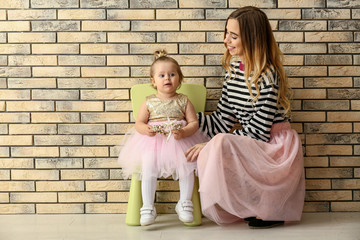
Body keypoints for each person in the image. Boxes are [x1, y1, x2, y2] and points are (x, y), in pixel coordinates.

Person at [185, 6, 305, 229]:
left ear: (251, 38)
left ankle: (270, 208)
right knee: (216, 139)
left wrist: (211, 145)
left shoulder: (268, 75)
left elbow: (258, 131)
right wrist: (187, 117)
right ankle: (256, 205)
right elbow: (223, 120)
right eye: (226, 33)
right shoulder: (233, 70)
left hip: (274, 147)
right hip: (255, 142)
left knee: (220, 142)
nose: (226, 40)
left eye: (233, 35)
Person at [118, 50, 208, 226]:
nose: (167, 78)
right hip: (153, 143)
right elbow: (139, 123)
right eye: (162, 75)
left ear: (179, 79)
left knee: (187, 165)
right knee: (148, 167)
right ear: (153, 81)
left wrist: (184, 132)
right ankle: (148, 207)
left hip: (180, 140)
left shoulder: (184, 100)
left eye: (172, 74)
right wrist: (146, 130)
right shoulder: (149, 101)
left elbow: (193, 123)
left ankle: (185, 202)